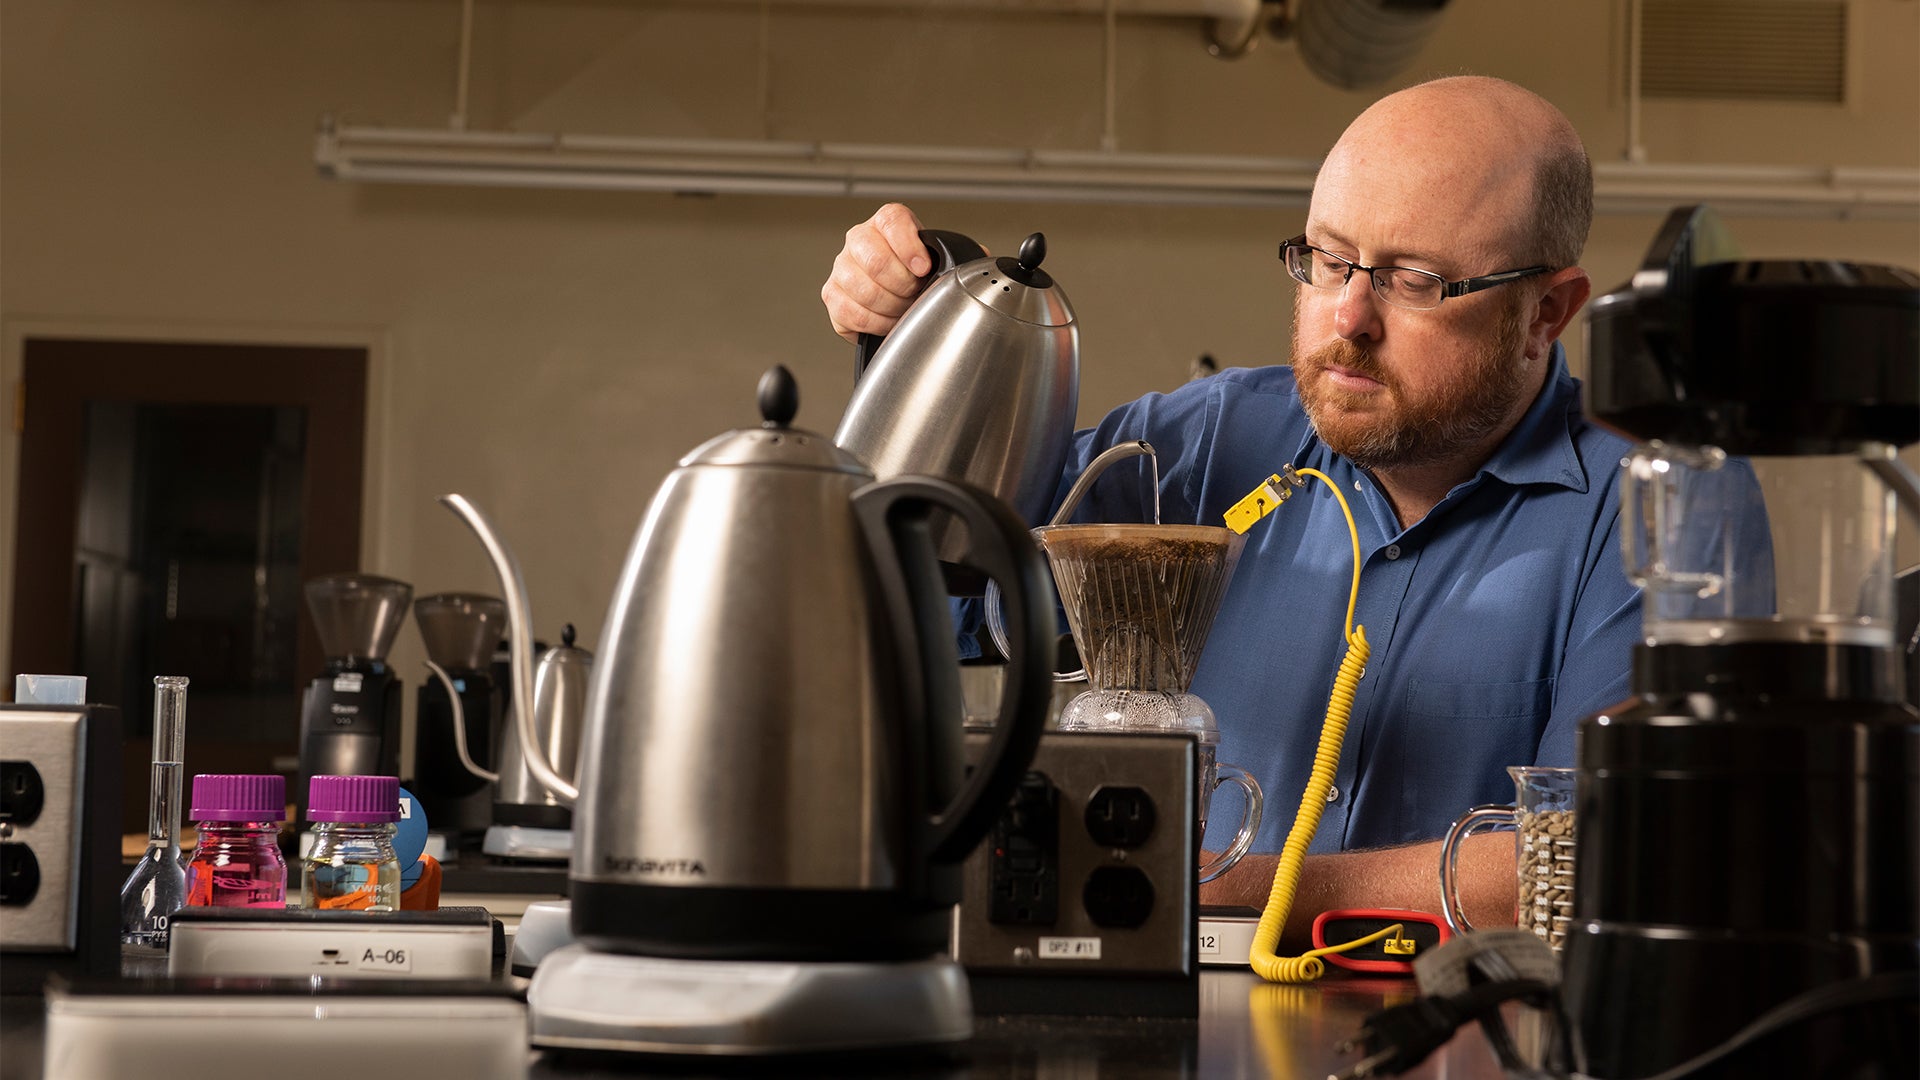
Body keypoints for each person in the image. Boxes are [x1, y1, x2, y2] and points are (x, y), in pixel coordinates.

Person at [820, 76, 1766, 944]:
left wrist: (1225, 887)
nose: (1348, 318)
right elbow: (942, 585)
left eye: (1416, 281)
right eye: (1326, 260)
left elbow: (1599, 857)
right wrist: (911, 334)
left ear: (1548, 313)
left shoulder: (1666, 507)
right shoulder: (1195, 448)